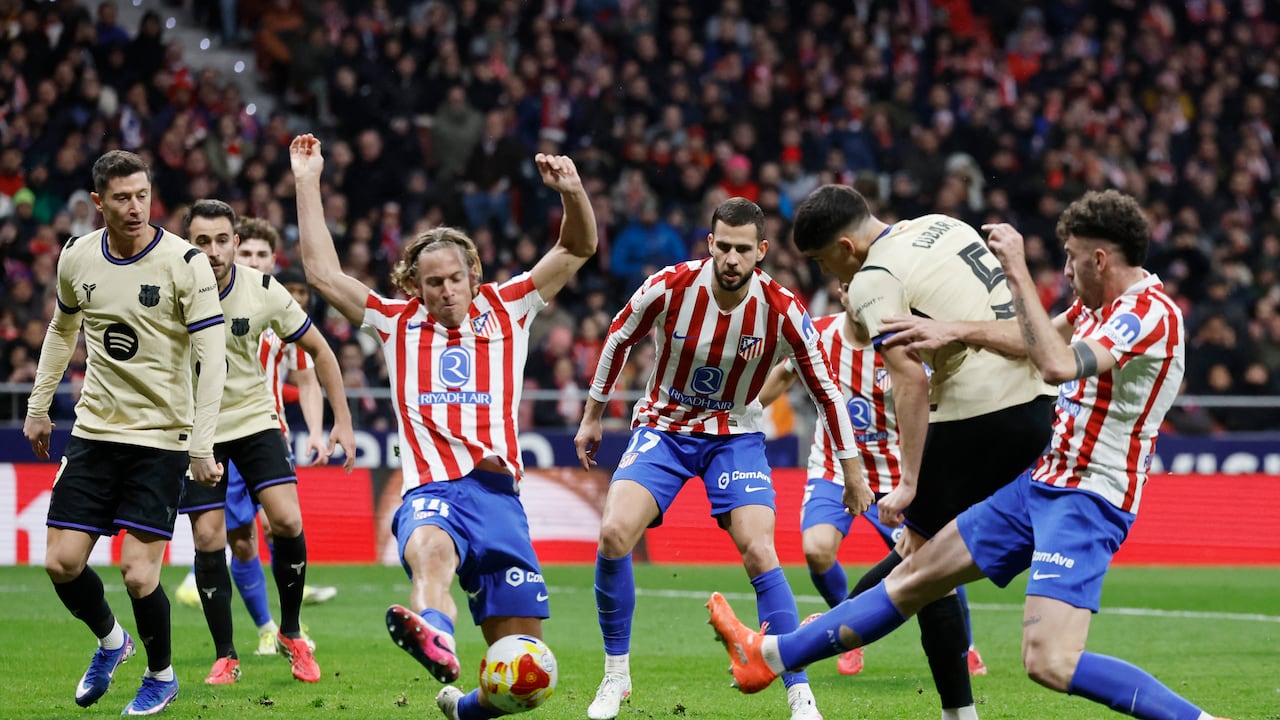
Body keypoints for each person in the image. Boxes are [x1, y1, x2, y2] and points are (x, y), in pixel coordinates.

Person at [708, 190, 1237, 720]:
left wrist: (1017, 270)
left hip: (1087, 495)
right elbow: (1030, 340)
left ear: (1099, 259)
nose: (1068, 272)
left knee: (1049, 661)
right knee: (915, 573)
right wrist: (953, 329)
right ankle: (771, 656)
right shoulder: (1093, 307)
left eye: (1073, 259)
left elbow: (1054, 364)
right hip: (1040, 481)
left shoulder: (1149, 314)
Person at [290, 133, 597, 720]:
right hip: (433, 492)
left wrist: (572, 192)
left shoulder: (512, 306)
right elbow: (322, 274)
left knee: (527, 669)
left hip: (501, 499)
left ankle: (465, 708)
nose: (446, 291)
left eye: (454, 278)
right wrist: (308, 182)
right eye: (433, 283)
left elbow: (579, 245)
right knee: (431, 553)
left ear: (471, 273)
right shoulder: (394, 321)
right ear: (416, 286)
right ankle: (436, 636)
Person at [766, 184, 1058, 719]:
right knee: (925, 559)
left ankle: (793, 649)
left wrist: (909, 481)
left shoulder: (874, 278)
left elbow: (909, 382)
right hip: (1040, 401)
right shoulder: (942, 225)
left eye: (825, 263)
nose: (834, 279)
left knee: (920, 562)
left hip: (979, 409)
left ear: (846, 248)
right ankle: (818, 639)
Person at [575, 197, 873, 720]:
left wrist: (852, 470)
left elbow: (825, 389)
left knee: (760, 551)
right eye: (723, 247)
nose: (731, 259)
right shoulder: (669, 287)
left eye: (743, 249)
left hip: (735, 434)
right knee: (613, 533)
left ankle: (798, 691)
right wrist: (593, 415)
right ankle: (616, 676)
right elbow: (619, 339)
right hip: (664, 428)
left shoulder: (782, 308)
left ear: (760, 251)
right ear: (710, 244)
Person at [24, 149, 227, 715]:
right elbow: (62, 331)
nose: (135, 207)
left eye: (142, 195)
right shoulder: (77, 257)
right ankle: (113, 644)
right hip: (94, 433)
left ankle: (161, 676)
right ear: (98, 203)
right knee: (61, 564)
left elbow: (213, 358)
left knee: (139, 574)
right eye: (121, 198)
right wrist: (40, 406)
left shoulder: (184, 263)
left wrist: (202, 442)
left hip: (161, 439)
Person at [176, 199, 357, 685]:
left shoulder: (264, 290)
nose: (212, 251)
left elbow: (318, 349)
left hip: (257, 421)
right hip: (199, 431)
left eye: (220, 240)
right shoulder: (172, 290)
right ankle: (225, 654)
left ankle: (292, 634)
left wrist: (341, 420)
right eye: (201, 241)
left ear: (234, 243)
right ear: (186, 245)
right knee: (212, 538)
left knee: (287, 519)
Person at [757, 304, 988, 680]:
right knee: (816, 550)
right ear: (843, 291)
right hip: (837, 470)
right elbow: (785, 375)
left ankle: (967, 647)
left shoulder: (904, 340)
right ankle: (848, 627)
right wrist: (747, 412)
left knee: (935, 559)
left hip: (898, 476)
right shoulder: (819, 335)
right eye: (850, 287)